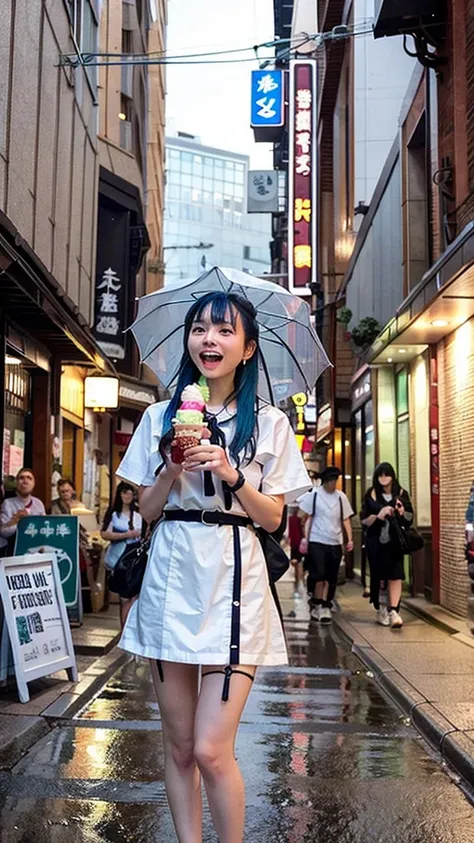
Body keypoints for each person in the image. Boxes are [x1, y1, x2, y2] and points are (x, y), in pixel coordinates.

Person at [116, 290, 311, 843]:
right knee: (178, 747)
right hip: (172, 575)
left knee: (209, 748)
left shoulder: (270, 423)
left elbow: (273, 519)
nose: (210, 340)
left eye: (225, 331)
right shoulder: (161, 415)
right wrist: (170, 471)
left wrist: (231, 472)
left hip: (236, 583)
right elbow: (147, 514)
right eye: (200, 328)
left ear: (248, 349)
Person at [360, 461, 414, 628]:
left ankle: (394, 610)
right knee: (379, 575)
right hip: (375, 541)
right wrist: (379, 515)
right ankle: (381, 608)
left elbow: (410, 518)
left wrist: (401, 512)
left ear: (393, 476)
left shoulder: (401, 493)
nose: (384, 478)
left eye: (387, 474)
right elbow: (364, 519)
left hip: (395, 541)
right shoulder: (372, 494)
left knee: (396, 574)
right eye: (380, 475)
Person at [298, 466, 354, 623]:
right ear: (324, 481)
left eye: (334, 481)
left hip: (335, 541)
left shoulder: (340, 497)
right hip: (317, 539)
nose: (332, 484)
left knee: (331, 575)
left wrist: (349, 539)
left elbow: (346, 519)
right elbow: (302, 513)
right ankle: (318, 604)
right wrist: (305, 533)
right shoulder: (315, 495)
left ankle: (326, 603)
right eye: (330, 481)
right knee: (319, 573)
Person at [101, 482, 143, 627]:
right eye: (124, 492)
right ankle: (124, 629)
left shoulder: (138, 514)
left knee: (133, 595)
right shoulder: (114, 514)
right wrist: (126, 535)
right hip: (118, 559)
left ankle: (129, 629)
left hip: (134, 559)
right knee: (124, 596)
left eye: (130, 492)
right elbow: (104, 534)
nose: (127, 496)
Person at [50, 477, 98, 597]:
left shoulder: (79, 505)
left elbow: (88, 525)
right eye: (62, 491)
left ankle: (87, 594)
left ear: (72, 491)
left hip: (78, 539)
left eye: (67, 491)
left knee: (84, 566)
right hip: (61, 539)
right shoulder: (54, 506)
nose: (65, 493)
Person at [0, 468, 45, 555]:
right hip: (14, 552)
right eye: (22, 478)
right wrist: (17, 521)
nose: (25, 481)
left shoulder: (38, 503)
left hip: (36, 551)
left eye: (29, 478)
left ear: (34, 483)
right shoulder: (8, 503)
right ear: (16, 482)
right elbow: (3, 532)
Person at [287, 505, 305, 598]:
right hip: (299, 544)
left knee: (296, 565)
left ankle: (298, 585)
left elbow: (289, 534)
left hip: (295, 544)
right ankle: (299, 584)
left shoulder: (291, 519)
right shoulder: (298, 519)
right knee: (299, 565)